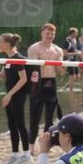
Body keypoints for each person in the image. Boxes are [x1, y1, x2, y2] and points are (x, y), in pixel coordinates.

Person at [0, 33, 31, 164]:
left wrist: (9, 95)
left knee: (20, 125)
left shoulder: (18, 58)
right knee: (12, 125)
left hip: (18, 96)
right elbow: (3, 77)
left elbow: (23, 79)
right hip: (10, 96)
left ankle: (26, 155)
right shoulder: (7, 59)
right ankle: (15, 155)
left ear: (7, 44)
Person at [27, 24, 64, 152]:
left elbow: (60, 72)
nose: (50, 36)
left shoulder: (58, 50)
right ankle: (31, 146)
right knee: (34, 118)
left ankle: (46, 146)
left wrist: (61, 66)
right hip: (37, 84)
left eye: (52, 34)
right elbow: (32, 69)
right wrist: (45, 61)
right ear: (42, 33)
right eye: (47, 33)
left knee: (49, 119)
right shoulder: (34, 48)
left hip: (51, 83)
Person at [63, 28, 81, 92]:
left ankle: (65, 87)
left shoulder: (75, 40)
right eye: (76, 33)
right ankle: (71, 92)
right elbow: (65, 53)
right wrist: (76, 53)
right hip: (69, 61)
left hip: (75, 60)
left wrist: (78, 52)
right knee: (72, 76)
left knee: (77, 76)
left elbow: (74, 49)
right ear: (72, 33)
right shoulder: (67, 42)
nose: (77, 34)